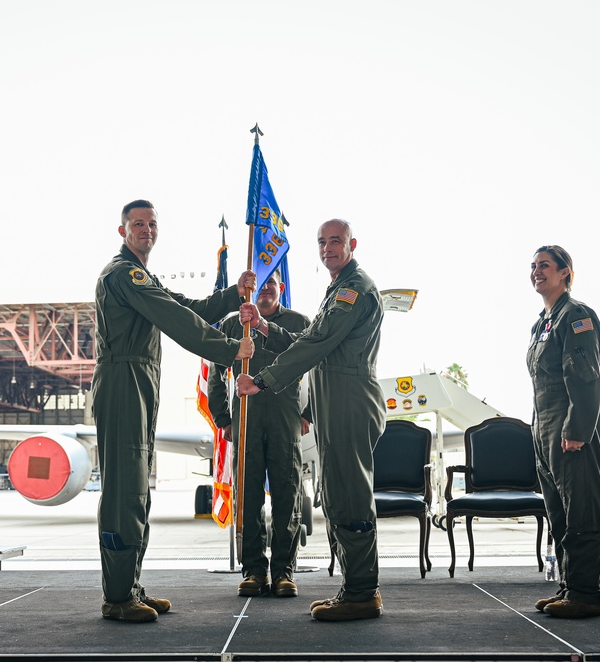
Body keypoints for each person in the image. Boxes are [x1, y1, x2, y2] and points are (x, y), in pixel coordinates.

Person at [92, 199, 255, 623]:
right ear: (123, 230)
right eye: (138, 224)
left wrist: (232, 295)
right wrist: (229, 349)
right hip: (124, 383)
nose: (146, 230)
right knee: (123, 490)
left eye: (152, 224)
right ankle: (116, 596)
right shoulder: (122, 274)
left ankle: (129, 585)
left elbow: (189, 309)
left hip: (140, 384)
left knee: (137, 489)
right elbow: (175, 320)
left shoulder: (143, 276)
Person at [236, 219, 386, 622]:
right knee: (337, 494)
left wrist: (264, 380)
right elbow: (311, 342)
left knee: (350, 496)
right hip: (335, 404)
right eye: (322, 242)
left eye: (335, 241)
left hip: (350, 403)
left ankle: (362, 592)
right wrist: (266, 327)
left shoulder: (353, 289)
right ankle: (355, 588)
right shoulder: (338, 289)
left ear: (352, 244)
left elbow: (317, 344)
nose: (327, 248)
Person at [208, 269, 310, 598]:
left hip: (284, 421)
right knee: (248, 499)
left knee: (287, 498)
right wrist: (223, 418)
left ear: (280, 287)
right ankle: (253, 570)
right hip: (245, 422)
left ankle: (283, 571)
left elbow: (315, 366)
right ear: (250, 287)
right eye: (259, 283)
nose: (265, 288)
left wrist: (308, 413)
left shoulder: (298, 323)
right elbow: (216, 371)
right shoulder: (233, 324)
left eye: (271, 282)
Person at [527, 245, 600, 619]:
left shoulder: (576, 316)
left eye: (545, 265)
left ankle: (587, 593)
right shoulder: (542, 322)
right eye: (534, 266)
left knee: (583, 511)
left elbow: (585, 377)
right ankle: (569, 586)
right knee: (559, 513)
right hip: (544, 428)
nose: (537, 271)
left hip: (570, 425)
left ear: (565, 273)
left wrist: (577, 428)